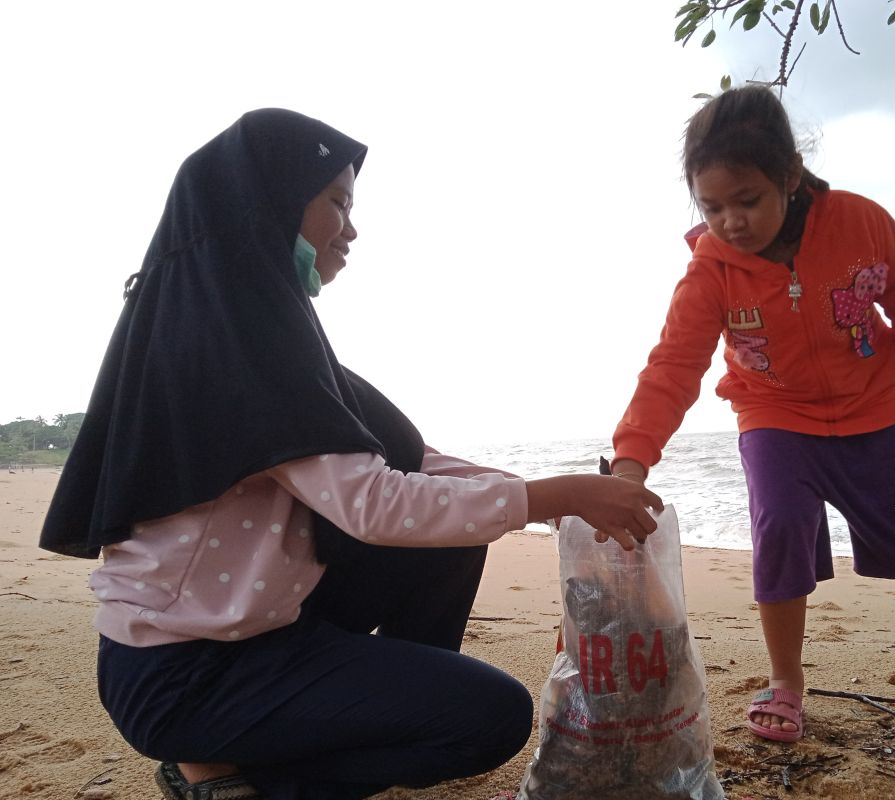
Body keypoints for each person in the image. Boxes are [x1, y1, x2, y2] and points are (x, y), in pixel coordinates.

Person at [39, 108, 662, 800]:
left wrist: (549, 497)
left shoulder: (261, 321)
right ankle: (228, 776)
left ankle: (357, 713)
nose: (352, 229)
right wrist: (556, 496)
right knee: (490, 719)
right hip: (186, 673)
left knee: (451, 542)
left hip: (262, 631)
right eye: (337, 202)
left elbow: (406, 460)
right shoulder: (234, 339)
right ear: (268, 199)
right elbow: (372, 501)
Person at [607, 87, 895, 743]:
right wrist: (632, 461)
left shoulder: (862, 224)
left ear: (790, 176)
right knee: (782, 528)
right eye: (712, 207)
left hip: (874, 409)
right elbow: (674, 365)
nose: (731, 221)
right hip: (774, 416)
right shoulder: (712, 271)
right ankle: (786, 679)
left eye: (748, 200)